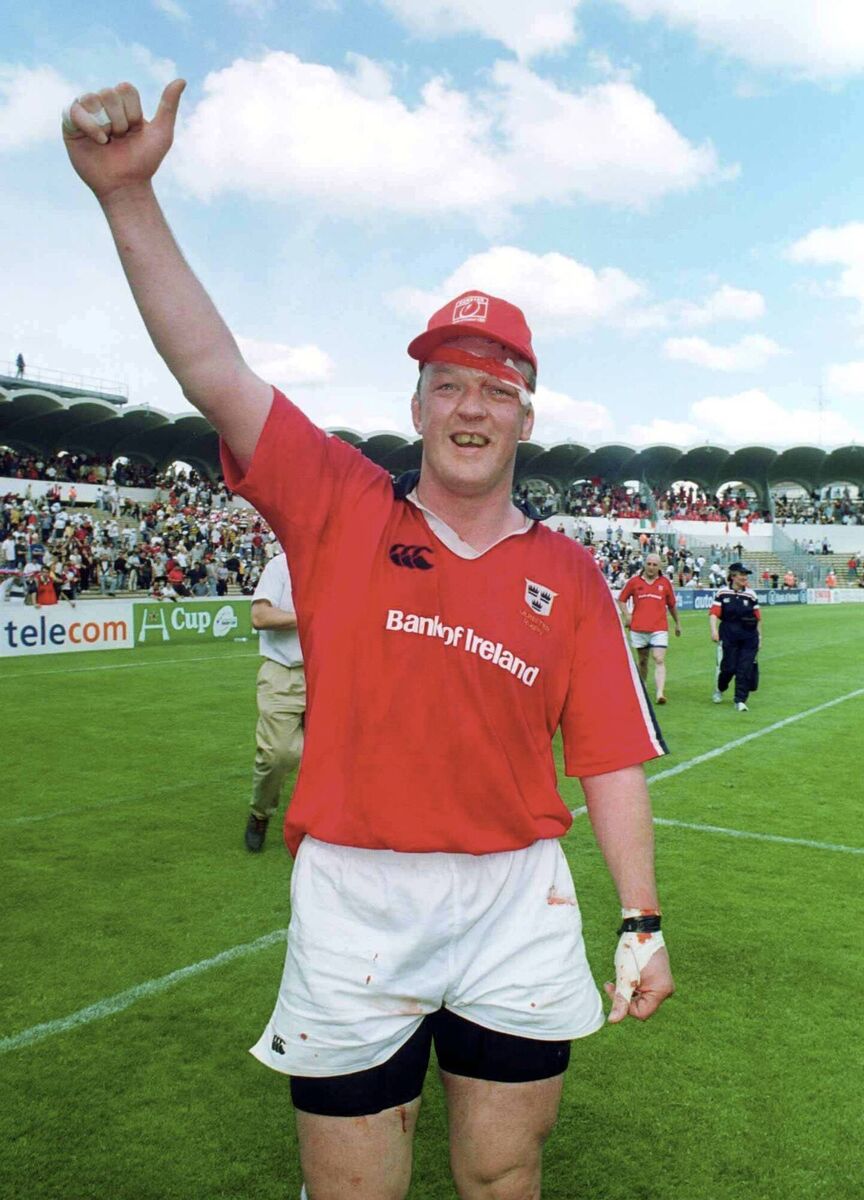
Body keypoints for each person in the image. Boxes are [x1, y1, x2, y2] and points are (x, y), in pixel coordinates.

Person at [62, 80, 674, 1200]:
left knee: (501, 1175)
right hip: (355, 896)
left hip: (515, 901)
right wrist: (128, 197)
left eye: (496, 389)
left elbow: (610, 765)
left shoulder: (573, 577)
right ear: (420, 404)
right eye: (450, 385)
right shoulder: (339, 504)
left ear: (526, 416)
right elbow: (215, 371)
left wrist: (640, 917)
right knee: (356, 1193)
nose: (472, 408)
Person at [244, 551, 306, 852]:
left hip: (334, 672)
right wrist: (310, 616)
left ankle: (320, 823)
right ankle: (260, 812)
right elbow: (259, 616)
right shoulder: (282, 565)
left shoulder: (344, 565)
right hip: (286, 672)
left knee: (338, 756)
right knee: (278, 755)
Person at [617, 551, 681, 704]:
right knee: (643, 661)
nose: (651, 567)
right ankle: (642, 687)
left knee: (658, 658)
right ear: (644, 565)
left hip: (659, 629)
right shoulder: (634, 582)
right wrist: (627, 615)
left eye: (654, 565)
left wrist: (677, 623)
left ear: (659, 567)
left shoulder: (665, 583)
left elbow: (671, 605)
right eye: (649, 564)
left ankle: (660, 693)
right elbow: (621, 599)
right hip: (638, 628)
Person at [710, 562, 762, 712]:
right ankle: (720, 688)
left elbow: (758, 618)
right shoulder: (722, 593)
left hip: (749, 636)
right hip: (729, 635)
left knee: (744, 668)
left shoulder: (751, 594)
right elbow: (714, 613)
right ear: (733, 576)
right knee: (728, 667)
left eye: (746, 574)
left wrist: (760, 637)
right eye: (742, 574)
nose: (745, 577)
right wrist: (714, 631)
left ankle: (740, 700)